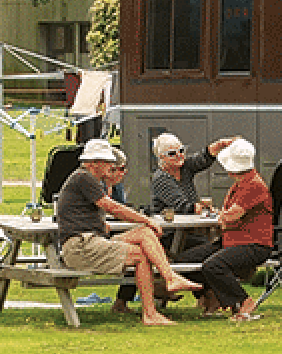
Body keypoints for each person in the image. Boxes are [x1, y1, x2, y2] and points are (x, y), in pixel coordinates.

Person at [55, 138, 202, 326]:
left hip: (91, 241)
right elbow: (113, 208)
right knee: (140, 255)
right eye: (108, 162)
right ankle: (150, 313)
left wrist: (103, 219)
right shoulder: (83, 177)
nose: (111, 166)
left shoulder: (90, 180)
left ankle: (169, 278)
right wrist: (146, 219)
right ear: (94, 163)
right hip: (80, 247)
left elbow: (90, 213)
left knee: (144, 233)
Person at [113, 132, 236, 315]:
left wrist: (220, 145)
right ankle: (206, 294)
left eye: (181, 150)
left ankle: (203, 295)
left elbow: (203, 158)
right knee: (200, 253)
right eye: (172, 153)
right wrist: (203, 207)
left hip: (183, 232)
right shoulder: (161, 179)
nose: (179, 155)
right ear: (161, 158)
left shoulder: (184, 168)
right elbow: (183, 207)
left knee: (201, 251)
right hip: (165, 234)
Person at [198, 138, 275, 322]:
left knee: (214, 265)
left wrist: (221, 215)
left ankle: (244, 301)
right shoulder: (242, 183)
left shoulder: (253, 185)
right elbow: (228, 215)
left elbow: (232, 215)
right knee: (189, 258)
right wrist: (222, 215)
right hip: (233, 241)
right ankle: (213, 296)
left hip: (254, 244)